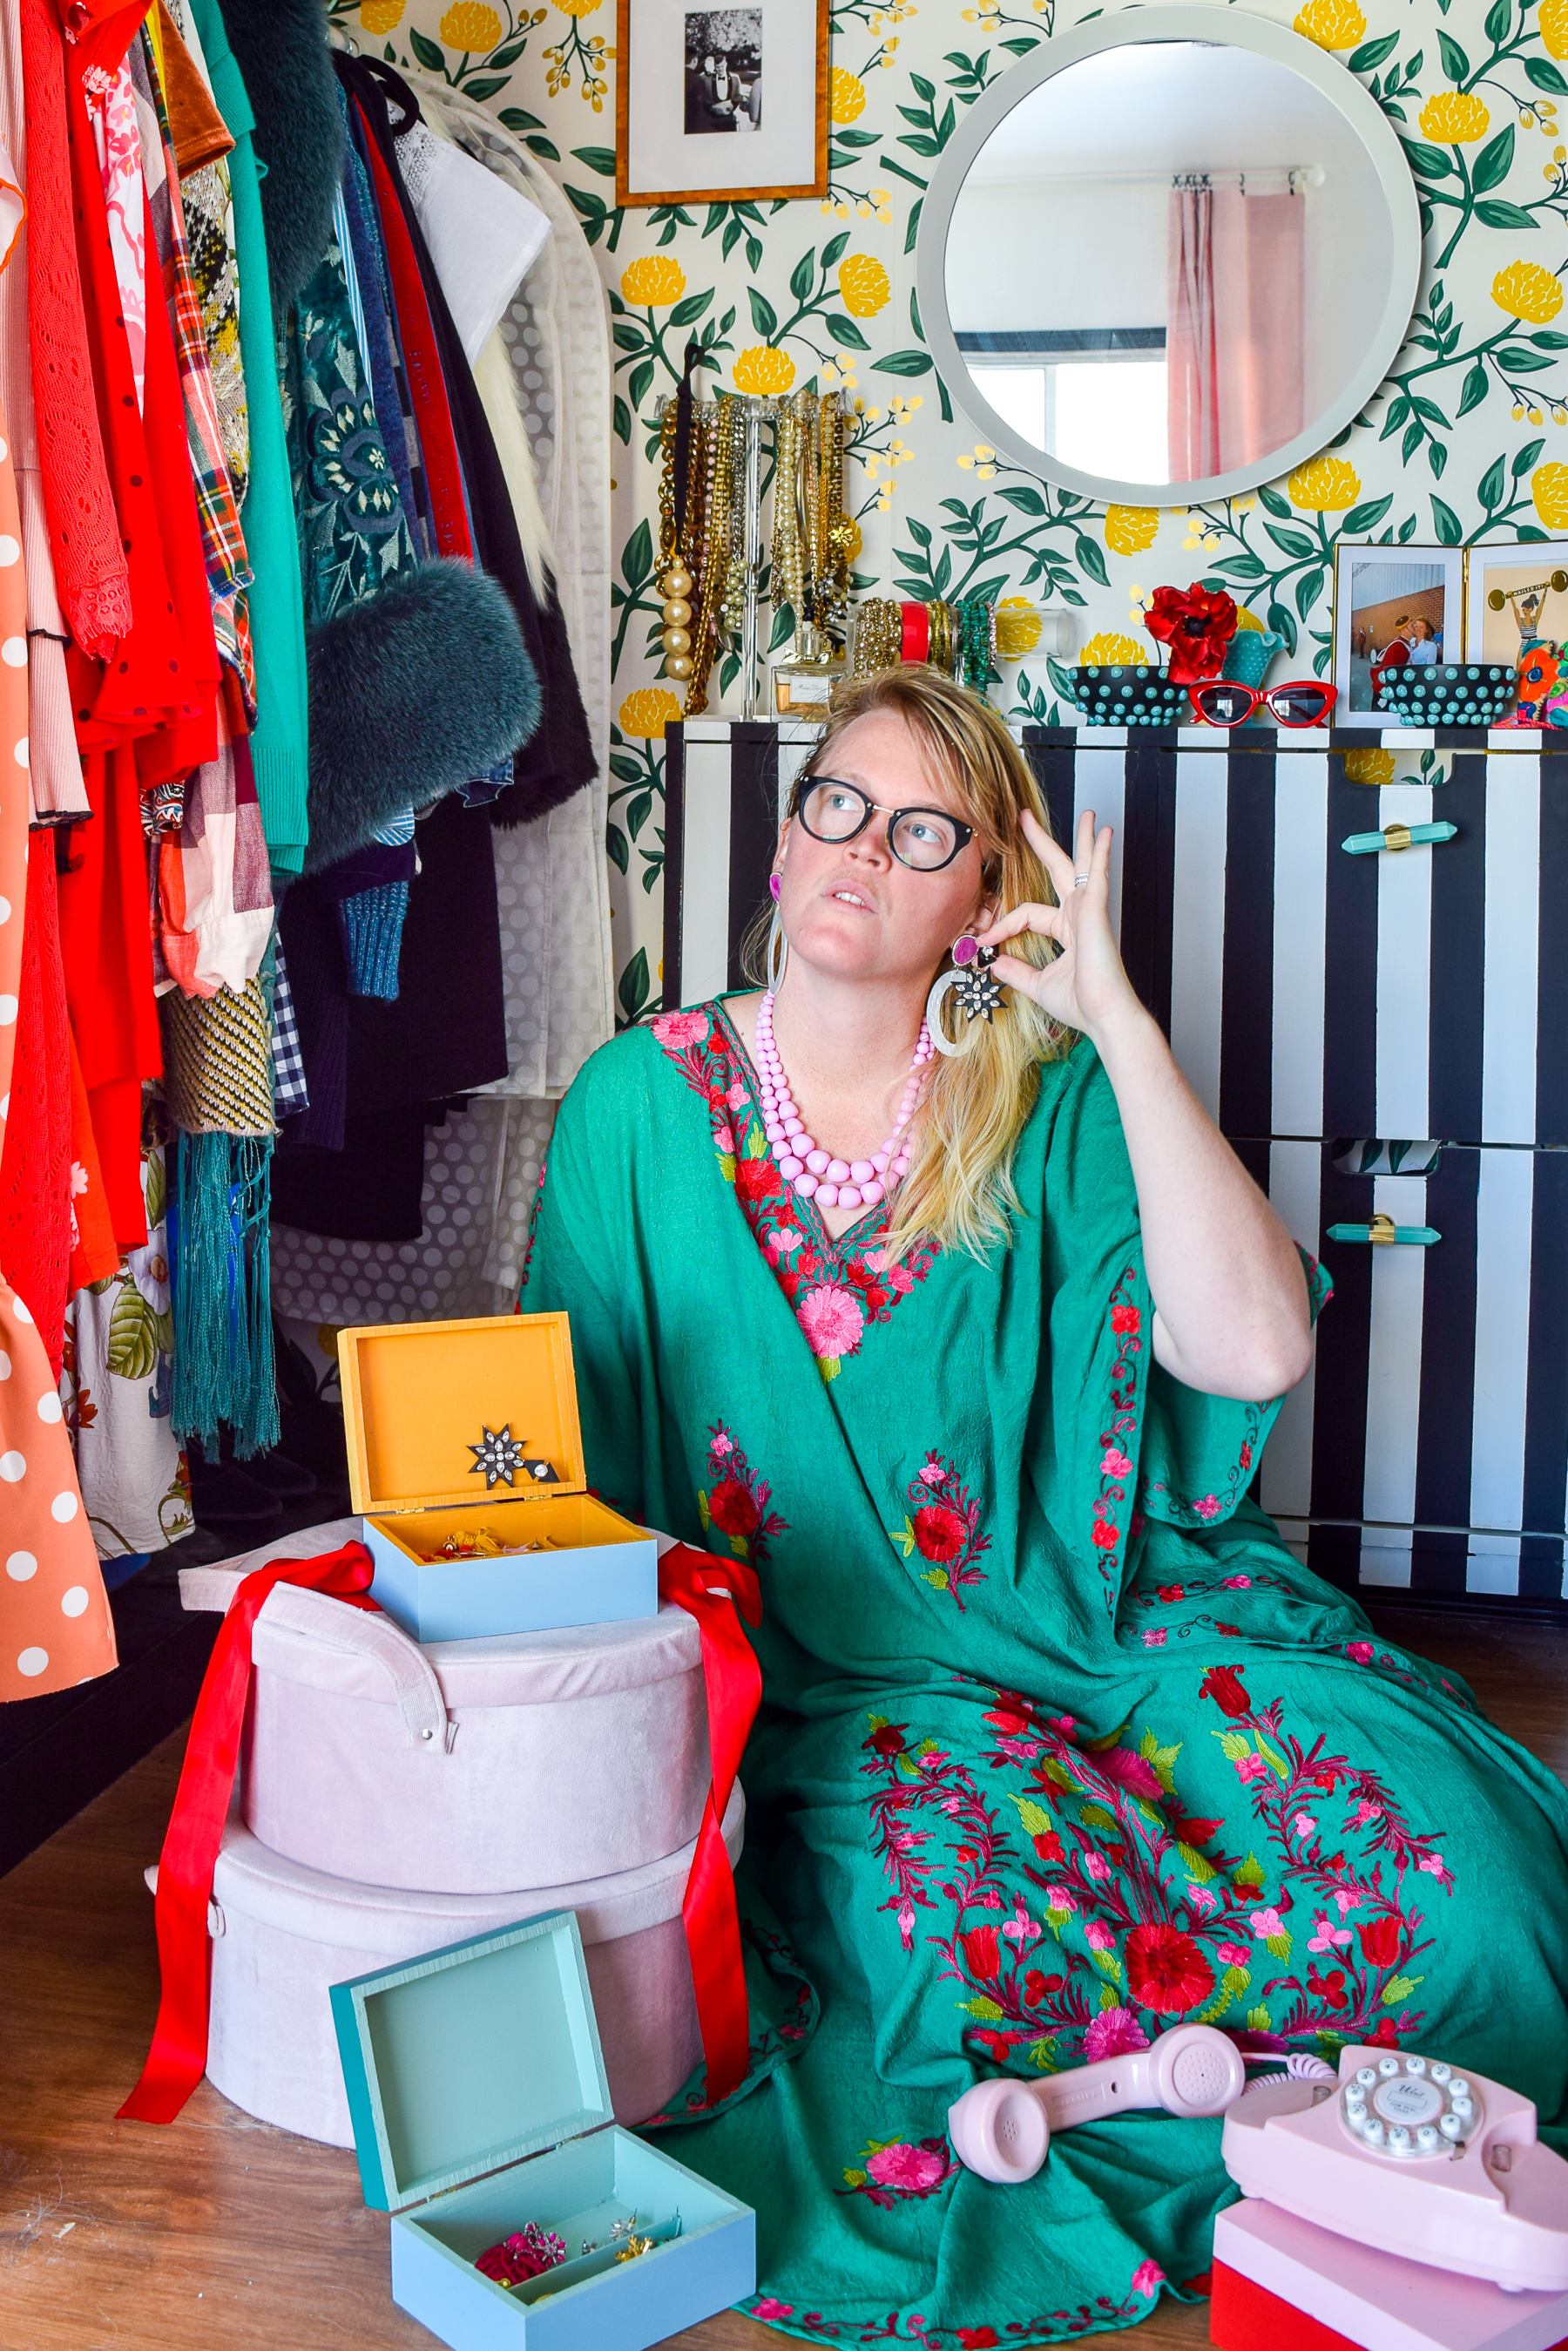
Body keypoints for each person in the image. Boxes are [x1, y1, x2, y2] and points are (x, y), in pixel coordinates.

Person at [524, 668, 1568, 2343]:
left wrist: (1119, 1026)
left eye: (926, 828)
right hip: (835, 1684)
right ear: (786, 848)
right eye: (838, 804)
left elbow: (1258, 1341)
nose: (867, 843)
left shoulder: (1050, 1101)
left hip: (1108, 1620)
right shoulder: (633, 1111)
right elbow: (559, 1468)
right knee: (967, 1943)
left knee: (1475, 1886)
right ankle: (1221, 2119)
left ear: (980, 904)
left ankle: (1339, 2135)